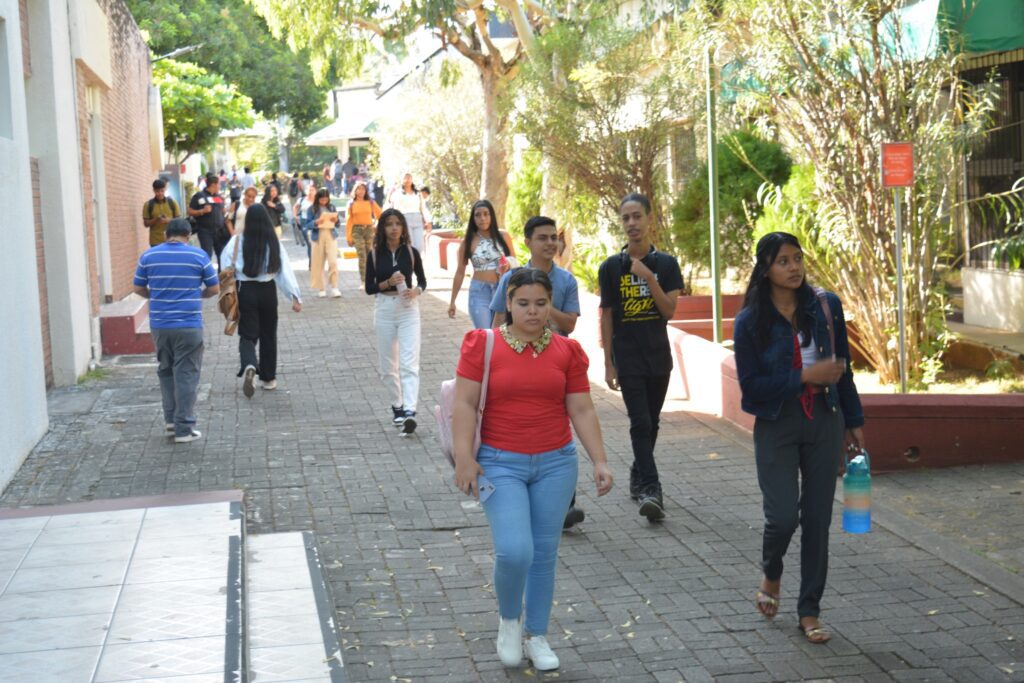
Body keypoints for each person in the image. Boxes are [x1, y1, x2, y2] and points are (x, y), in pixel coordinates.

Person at [452, 268, 614, 672]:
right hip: (498, 464)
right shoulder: (482, 345)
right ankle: (510, 621)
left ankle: (537, 634)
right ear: (508, 303)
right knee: (515, 550)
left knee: (543, 554)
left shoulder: (567, 351)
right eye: (523, 303)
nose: (533, 311)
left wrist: (599, 460)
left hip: (556, 464)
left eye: (541, 303)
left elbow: (581, 407)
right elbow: (465, 404)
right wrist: (464, 459)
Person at [733, 231, 864, 645]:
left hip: (825, 418)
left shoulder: (825, 306)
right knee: (783, 516)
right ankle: (772, 572)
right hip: (777, 422)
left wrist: (854, 422)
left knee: (818, 520)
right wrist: (804, 375)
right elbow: (751, 388)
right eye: (782, 261)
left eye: (797, 258)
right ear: (765, 269)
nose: (793, 268)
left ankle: (809, 610)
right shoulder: (750, 321)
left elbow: (844, 369)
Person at [489, 216, 584, 528]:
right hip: (516, 364)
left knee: (559, 428)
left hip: (555, 368)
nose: (549, 243)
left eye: (553, 238)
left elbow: (569, 324)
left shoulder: (567, 281)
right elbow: (498, 321)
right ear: (528, 242)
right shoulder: (510, 279)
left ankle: (563, 501)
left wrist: (542, 305)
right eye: (542, 238)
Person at [598, 193, 683, 522]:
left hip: (658, 356)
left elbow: (669, 311)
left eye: (637, 217)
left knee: (653, 421)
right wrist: (608, 362)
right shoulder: (610, 267)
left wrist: (648, 277)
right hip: (628, 356)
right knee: (640, 423)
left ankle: (637, 473)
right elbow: (606, 315)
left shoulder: (666, 265)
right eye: (626, 218)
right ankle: (651, 488)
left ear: (650, 219)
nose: (632, 223)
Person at [132, 218, 219, 443]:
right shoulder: (199, 256)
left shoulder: (148, 256)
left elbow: (138, 287)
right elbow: (214, 288)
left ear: (165, 235)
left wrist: (157, 297)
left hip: (160, 325)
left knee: (166, 370)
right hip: (189, 324)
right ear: (188, 235)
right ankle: (184, 428)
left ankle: (171, 422)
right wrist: (197, 295)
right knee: (187, 373)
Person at [220, 204, 303, 398]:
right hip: (267, 290)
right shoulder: (274, 242)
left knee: (248, 333)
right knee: (268, 334)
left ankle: (249, 363)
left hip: (244, 290)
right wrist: (294, 296)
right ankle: (268, 378)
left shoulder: (236, 241)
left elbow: (225, 267)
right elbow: (285, 272)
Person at [365, 209, 427, 434]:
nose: (393, 228)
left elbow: (423, 281)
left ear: (403, 228)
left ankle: (410, 411)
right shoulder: (374, 254)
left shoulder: (411, 252)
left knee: (410, 362)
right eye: (389, 224)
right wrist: (387, 282)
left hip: (408, 309)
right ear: (382, 228)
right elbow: (369, 288)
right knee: (387, 366)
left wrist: (415, 291)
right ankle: (397, 407)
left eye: (397, 224)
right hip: (384, 309)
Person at [448, 200, 514, 329]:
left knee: (500, 335)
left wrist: (508, 264)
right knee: (485, 335)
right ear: (473, 219)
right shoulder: (468, 242)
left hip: (502, 291)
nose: (482, 218)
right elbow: (460, 272)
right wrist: (452, 302)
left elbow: (514, 262)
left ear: (492, 216)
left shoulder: (503, 236)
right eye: (477, 215)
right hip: (479, 293)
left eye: (486, 214)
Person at [346, 181, 383, 286]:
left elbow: (380, 214)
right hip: (356, 231)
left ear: (366, 191)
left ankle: (372, 278)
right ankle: (364, 281)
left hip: (369, 230)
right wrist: (349, 237)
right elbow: (349, 221)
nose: (361, 191)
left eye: (363, 189)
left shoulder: (370, 202)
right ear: (355, 190)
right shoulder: (351, 204)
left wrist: (376, 224)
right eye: (358, 189)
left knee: (370, 255)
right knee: (362, 255)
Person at [306, 188, 341, 298]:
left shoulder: (332, 207)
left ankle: (334, 287)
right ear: (318, 199)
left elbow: (338, 223)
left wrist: (336, 221)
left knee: (333, 262)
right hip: (318, 236)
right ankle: (321, 288)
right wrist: (316, 222)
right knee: (318, 263)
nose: (324, 202)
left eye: (326, 199)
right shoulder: (311, 209)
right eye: (322, 199)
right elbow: (307, 224)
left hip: (331, 235)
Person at [187, 173, 228, 265]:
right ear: (213, 185)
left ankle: (221, 277)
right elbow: (189, 211)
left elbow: (224, 211)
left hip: (219, 231)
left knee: (221, 255)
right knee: (207, 255)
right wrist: (202, 211)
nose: (220, 186)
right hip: (205, 231)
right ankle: (208, 277)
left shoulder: (219, 197)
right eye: (219, 184)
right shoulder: (199, 196)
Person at [386, 173, 432, 251]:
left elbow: (423, 208)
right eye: (405, 178)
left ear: (412, 180)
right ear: (402, 181)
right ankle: (411, 262)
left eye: (409, 178)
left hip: (417, 219)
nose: (407, 180)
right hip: (405, 219)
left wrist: (429, 221)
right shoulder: (398, 193)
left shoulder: (417, 194)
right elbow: (395, 208)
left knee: (419, 246)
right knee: (410, 244)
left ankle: (417, 260)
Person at [142, 179, 181, 248]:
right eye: (157, 191)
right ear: (153, 190)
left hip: (172, 239)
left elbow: (179, 221)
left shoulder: (172, 202)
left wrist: (169, 220)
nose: (160, 193)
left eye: (162, 191)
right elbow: (146, 224)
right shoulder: (148, 204)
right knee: (158, 259)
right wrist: (156, 219)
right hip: (155, 241)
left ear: (165, 189)